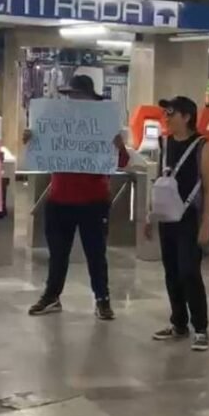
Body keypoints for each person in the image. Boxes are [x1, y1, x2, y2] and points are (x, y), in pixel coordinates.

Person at [25, 74, 129, 320]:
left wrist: (117, 146)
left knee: (96, 253)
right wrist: (32, 141)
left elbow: (121, 162)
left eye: (77, 96)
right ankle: (52, 295)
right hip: (60, 198)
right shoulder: (57, 122)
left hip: (93, 201)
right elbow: (39, 154)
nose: (73, 101)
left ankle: (102, 298)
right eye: (70, 97)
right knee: (58, 253)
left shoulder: (104, 126)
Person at [148, 96, 209, 352]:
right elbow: (159, 181)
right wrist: (150, 214)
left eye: (171, 113)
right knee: (172, 272)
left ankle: (200, 328)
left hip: (191, 218)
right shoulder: (164, 143)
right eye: (165, 113)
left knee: (189, 271)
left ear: (186, 117)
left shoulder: (202, 146)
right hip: (167, 217)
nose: (166, 117)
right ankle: (178, 323)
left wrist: (206, 222)